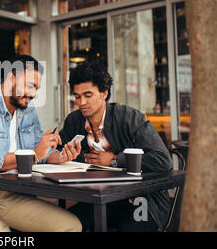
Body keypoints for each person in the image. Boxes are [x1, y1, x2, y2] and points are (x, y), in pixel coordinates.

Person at [0, 54, 82, 232]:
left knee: (70, 226)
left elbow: (42, 153)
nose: (33, 94)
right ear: (11, 78)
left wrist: (59, 157)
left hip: (11, 195)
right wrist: (33, 154)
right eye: (30, 86)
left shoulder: (28, 112)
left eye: (36, 88)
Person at [56, 62, 172, 232]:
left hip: (141, 201)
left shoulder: (130, 118)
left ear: (104, 93)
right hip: (100, 199)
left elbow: (163, 161)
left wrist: (115, 160)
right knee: (63, 225)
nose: (81, 102)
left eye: (88, 95)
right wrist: (61, 152)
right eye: (77, 96)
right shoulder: (74, 121)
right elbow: (60, 151)